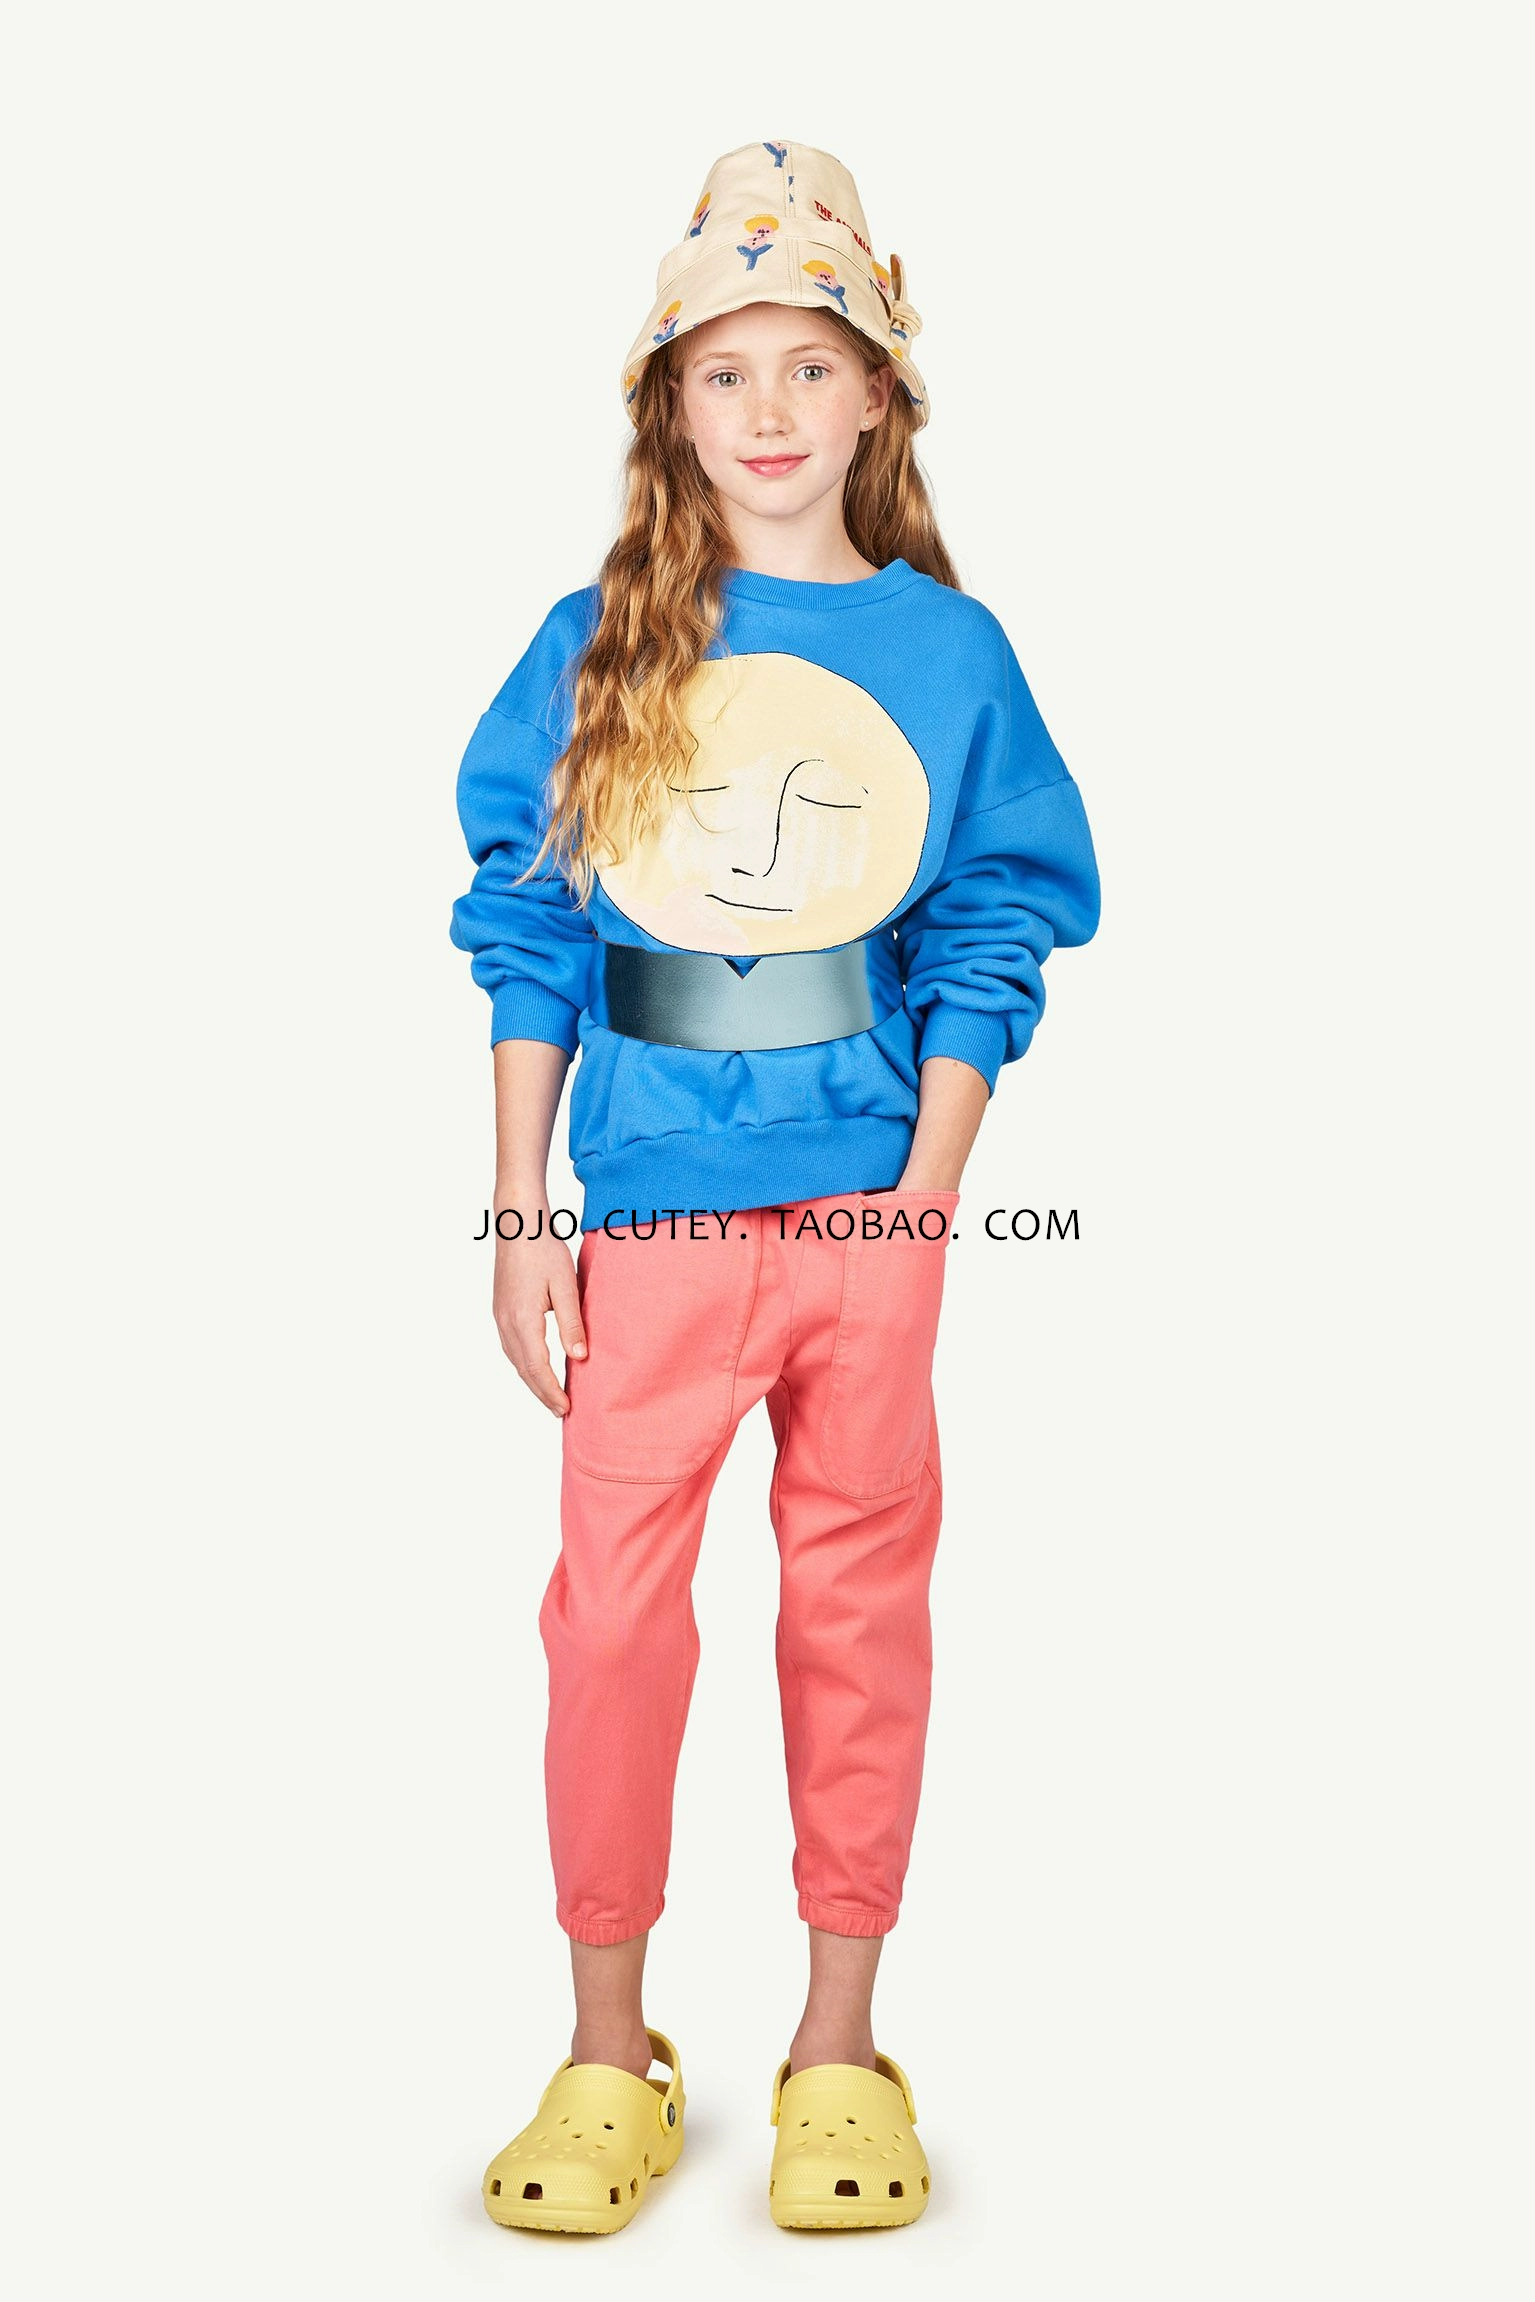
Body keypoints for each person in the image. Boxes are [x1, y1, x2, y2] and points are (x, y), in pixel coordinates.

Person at [449, 139, 1102, 2237]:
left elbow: (991, 920)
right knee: (610, 1625)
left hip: (864, 1227)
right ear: (669, 401)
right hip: (647, 1224)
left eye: (807, 364)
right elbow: (533, 925)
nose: (765, 409)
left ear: (878, 395)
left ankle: (837, 2040)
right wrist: (522, 1207)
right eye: (721, 369)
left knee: (856, 1612)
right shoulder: (596, 642)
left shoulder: (946, 652)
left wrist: (921, 1207)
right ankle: (606, 2044)